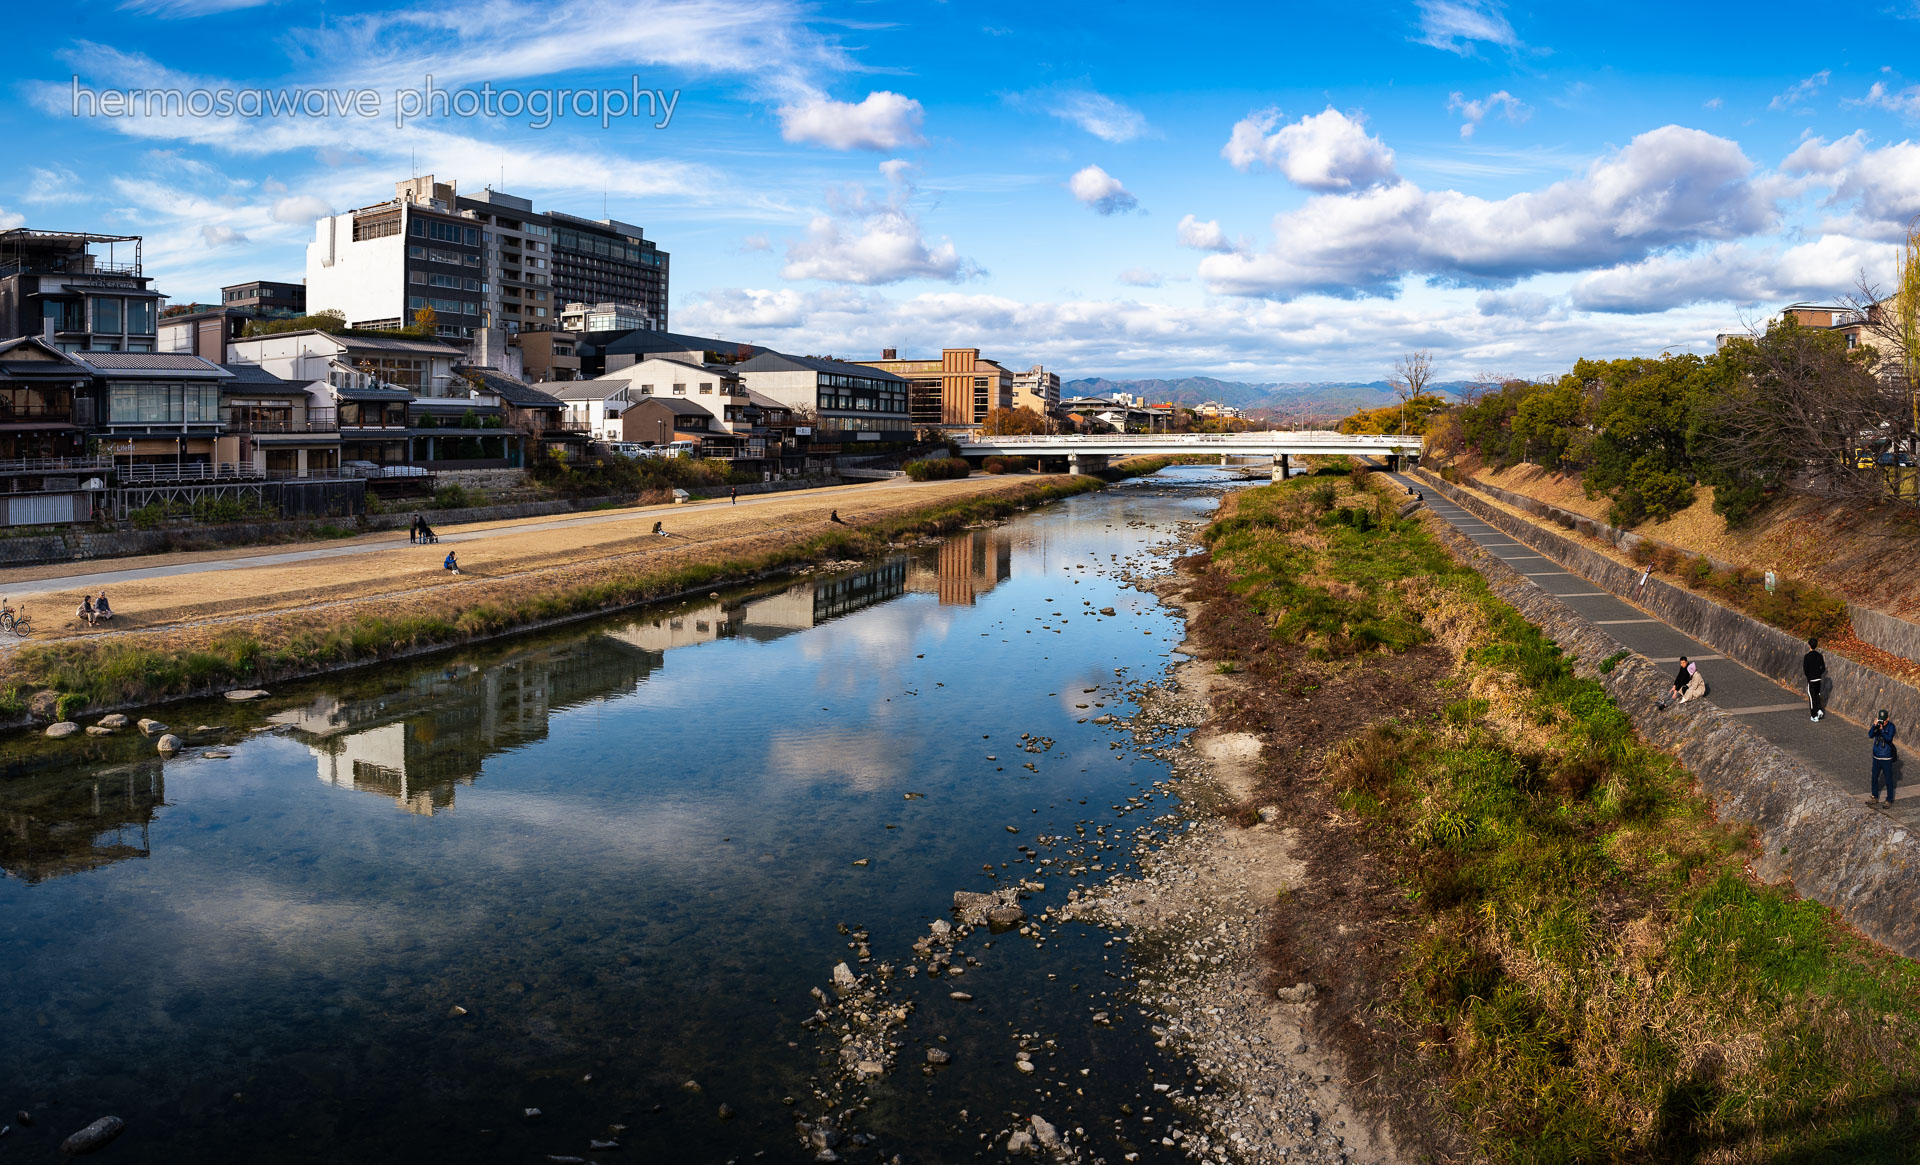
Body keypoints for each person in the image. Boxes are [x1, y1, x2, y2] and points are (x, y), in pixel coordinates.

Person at [1869, 710, 1898, 803]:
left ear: (1888, 718)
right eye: (1881, 720)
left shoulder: (1891, 727)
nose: (1882, 722)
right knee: (1874, 778)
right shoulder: (1877, 725)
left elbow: (1889, 739)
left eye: (1884, 720)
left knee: (1888, 779)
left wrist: (1882, 730)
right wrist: (1874, 725)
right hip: (1876, 757)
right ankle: (1874, 796)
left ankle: (1889, 799)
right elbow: (1870, 735)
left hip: (1886, 757)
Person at [1804, 638, 1828, 722]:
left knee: (1811, 697)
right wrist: (1819, 674)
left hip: (1811, 680)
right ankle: (1819, 710)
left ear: (1809, 645)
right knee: (1817, 695)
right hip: (1818, 679)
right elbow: (1823, 668)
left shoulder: (1807, 656)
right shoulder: (1819, 656)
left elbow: (1805, 669)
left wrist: (1809, 677)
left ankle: (1814, 715)